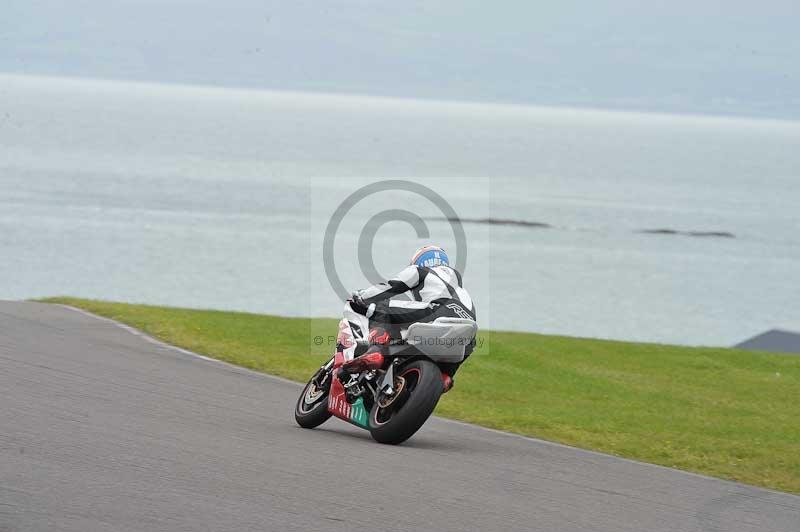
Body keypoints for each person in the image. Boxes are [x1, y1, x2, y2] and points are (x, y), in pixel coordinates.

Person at [336, 245, 476, 393]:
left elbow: (392, 286)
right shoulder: (459, 287)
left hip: (437, 311)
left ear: (420, 260)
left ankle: (375, 350)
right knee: (470, 342)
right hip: (467, 329)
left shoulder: (421, 270)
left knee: (382, 307)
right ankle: (445, 376)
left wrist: (363, 296)